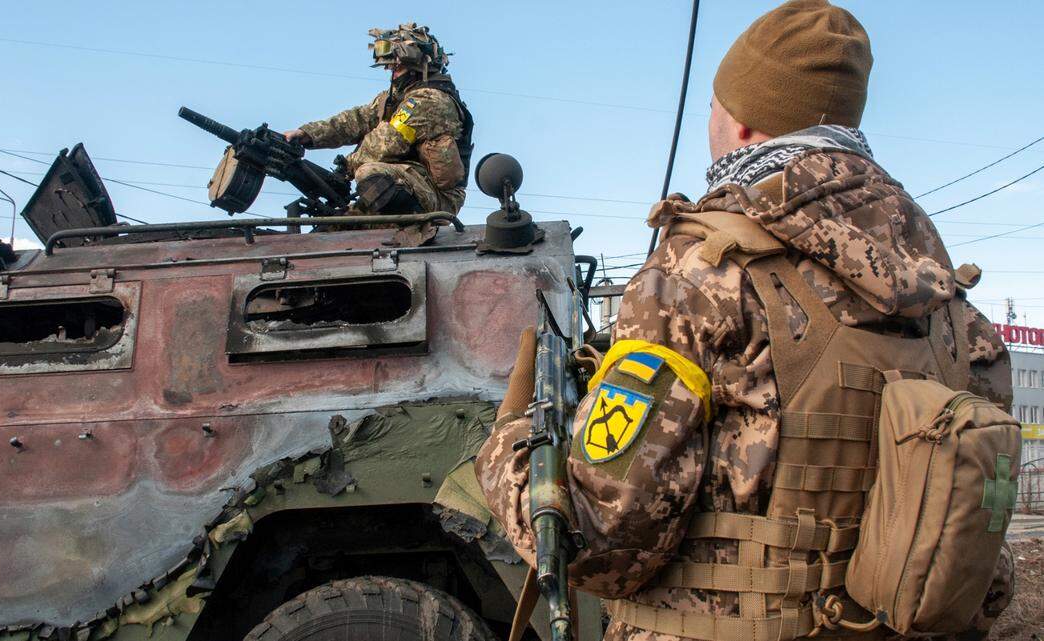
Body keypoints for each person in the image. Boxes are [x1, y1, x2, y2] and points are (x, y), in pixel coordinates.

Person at [475, 1, 1015, 640]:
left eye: (713, 104)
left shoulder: (699, 271)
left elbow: (599, 543)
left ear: (744, 122)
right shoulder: (948, 300)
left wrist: (510, 445)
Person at [282, 22, 473, 216]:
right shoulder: (394, 98)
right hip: (405, 181)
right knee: (338, 222)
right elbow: (355, 121)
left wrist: (344, 171)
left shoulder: (430, 100)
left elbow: (387, 141)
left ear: (416, 65)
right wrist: (307, 134)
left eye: (396, 66)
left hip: (438, 197)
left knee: (368, 172)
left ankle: (407, 223)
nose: (391, 71)